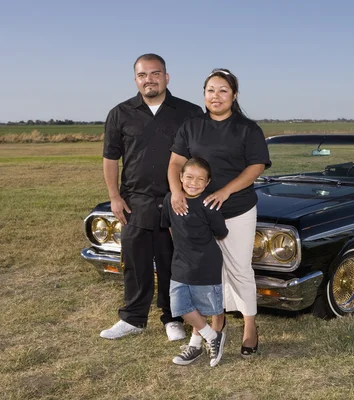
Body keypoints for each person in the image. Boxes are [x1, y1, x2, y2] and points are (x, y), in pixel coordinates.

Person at [167, 68, 271, 357]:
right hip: (198, 214)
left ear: (234, 95)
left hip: (237, 210)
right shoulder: (191, 126)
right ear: (204, 94)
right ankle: (213, 326)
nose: (216, 96)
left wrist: (226, 191)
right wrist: (177, 191)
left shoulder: (248, 129)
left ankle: (250, 326)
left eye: (223, 90)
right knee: (203, 272)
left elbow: (256, 167)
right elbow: (176, 163)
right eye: (211, 90)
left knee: (238, 269)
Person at [100, 53, 204, 341]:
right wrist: (114, 197)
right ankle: (133, 318)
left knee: (174, 263)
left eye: (155, 73)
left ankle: (173, 318)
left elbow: (201, 159)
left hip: (177, 201)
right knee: (136, 262)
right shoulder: (119, 113)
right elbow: (110, 159)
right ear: (135, 79)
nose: (149, 79)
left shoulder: (190, 112)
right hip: (135, 202)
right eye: (143, 75)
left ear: (167, 77)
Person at [161, 158, 228, 367]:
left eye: (200, 179)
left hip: (205, 264)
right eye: (189, 177)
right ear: (180, 178)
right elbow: (169, 226)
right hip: (181, 263)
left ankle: (195, 344)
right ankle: (212, 335)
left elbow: (221, 232)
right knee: (179, 306)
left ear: (207, 183)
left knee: (201, 307)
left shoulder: (209, 204)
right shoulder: (170, 200)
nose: (193, 182)